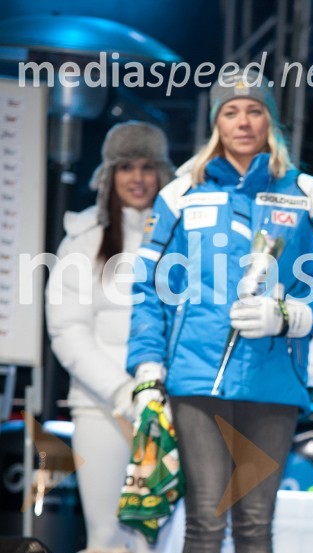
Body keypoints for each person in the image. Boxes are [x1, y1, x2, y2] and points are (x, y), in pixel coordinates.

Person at [125, 70, 313, 552]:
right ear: (215, 123)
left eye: (254, 109)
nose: (243, 121)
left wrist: (294, 317)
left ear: (271, 119)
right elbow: (148, 289)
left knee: (255, 524)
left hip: (273, 381)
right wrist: (146, 369)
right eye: (230, 111)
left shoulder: (311, 194)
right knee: (204, 520)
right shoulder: (180, 194)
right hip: (196, 380)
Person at [45, 121, 176, 552]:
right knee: (105, 537)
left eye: (147, 166)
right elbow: (67, 330)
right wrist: (122, 391)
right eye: (124, 167)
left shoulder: (187, 237)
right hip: (101, 408)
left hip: (170, 409)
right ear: (108, 176)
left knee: (156, 541)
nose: (137, 178)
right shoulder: (82, 240)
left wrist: (157, 396)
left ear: (162, 173)